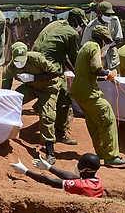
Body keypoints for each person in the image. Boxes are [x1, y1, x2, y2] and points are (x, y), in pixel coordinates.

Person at [69, 24, 125, 168]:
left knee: (93, 122)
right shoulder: (95, 47)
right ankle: (111, 156)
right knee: (108, 118)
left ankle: (101, 152)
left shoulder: (85, 46)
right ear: (103, 40)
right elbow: (95, 67)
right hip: (88, 92)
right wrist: (108, 73)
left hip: (79, 91)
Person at [31, 8, 87, 145]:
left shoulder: (59, 27)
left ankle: (40, 107)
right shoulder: (72, 33)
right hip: (49, 70)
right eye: (81, 23)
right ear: (74, 20)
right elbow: (74, 58)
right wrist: (82, 75)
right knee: (63, 96)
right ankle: (58, 134)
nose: (82, 27)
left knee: (56, 93)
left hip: (39, 65)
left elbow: (65, 56)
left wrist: (75, 71)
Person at [1, 42, 62, 163]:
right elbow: (6, 93)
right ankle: (3, 135)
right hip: (30, 88)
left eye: (22, 60)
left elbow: (56, 73)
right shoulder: (10, 68)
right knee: (13, 102)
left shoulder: (37, 58)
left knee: (47, 117)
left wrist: (35, 77)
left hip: (48, 88)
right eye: (17, 60)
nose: (20, 63)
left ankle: (50, 152)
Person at [8, 153, 103, 198]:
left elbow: (51, 181)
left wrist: (26, 171)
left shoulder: (81, 186)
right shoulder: (98, 182)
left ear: (85, 169)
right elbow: (73, 177)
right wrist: (49, 167)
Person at [81, 1, 122, 71]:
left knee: (114, 78)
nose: (109, 16)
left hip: (112, 60)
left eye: (110, 14)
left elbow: (119, 39)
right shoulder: (91, 27)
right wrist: (99, 50)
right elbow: (85, 45)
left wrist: (108, 47)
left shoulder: (114, 21)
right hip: (97, 60)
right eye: (107, 14)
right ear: (99, 13)